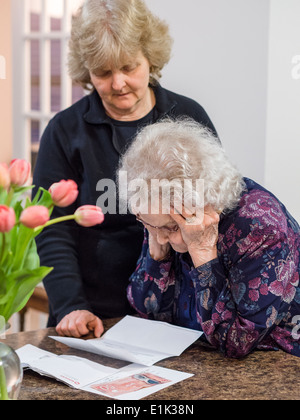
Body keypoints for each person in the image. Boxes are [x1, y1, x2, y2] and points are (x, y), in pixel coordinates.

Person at [33, 0, 217, 338]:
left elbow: (212, 212)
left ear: (150, 59)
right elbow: (51, 229)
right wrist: (71, 305)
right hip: (93, 315)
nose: (118, 83)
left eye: (129, 67)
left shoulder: (188, 118)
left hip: (178, 315)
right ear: (85, 71)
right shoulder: (65, 131)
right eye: (103, 73)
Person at [118, 118, 300, 358]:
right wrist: (157, 245)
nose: (162, 238)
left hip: (276, 366)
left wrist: (202, 251)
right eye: (148, 223)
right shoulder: (160, 213)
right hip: (195, 354)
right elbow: (145, 307)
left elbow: (237, 342)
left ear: (205, 204)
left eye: (171, 228)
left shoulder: (262, 228)